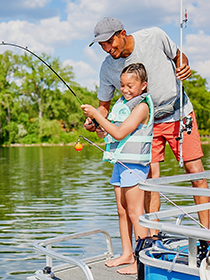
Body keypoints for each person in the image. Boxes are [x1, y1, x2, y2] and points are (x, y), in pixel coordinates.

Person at [85, 17, 209, 271]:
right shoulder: (107, 68)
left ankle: (207, 237)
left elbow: (179, 56)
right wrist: (94, 121)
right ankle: (150, 245)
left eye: (110, 42)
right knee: (148, 180)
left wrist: (184, 65)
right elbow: (104, 107)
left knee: (195, 172)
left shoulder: (154, 35)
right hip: (144, 125)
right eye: (102, 46)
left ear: (122, 33)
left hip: (178, 112)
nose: (108, 49)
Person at [82, 63, 152, 275]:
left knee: (135, 212)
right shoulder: (121, 104)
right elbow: (110, 132)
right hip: (120, 164)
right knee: (122, 211)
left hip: (134, 165)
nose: (125, 90)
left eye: (130, 85)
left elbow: (121, 133)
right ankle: (127, 254)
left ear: (143, 86)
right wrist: (97, 127)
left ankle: (142, 262)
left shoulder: (142, 107)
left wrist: (97, 113)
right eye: (122, 85)